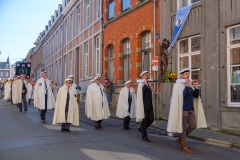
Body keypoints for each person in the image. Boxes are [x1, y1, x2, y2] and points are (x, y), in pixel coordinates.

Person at [167, 68, 207, 154]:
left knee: (193, 125)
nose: (187, 76)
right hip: (183, 110)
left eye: (188, 74)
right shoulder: (178, 85)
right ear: (182, 75)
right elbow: (181, 97)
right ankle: (184, 145)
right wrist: (187, 86)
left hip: (191, 109)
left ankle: (180, 139)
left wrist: (196, 87)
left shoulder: (189, 85)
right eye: (186, 74)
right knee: (184, 128)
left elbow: (196, 96)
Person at [136, 71, 154, 142]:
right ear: (142, 77)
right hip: (144, 105)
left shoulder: (148, 84)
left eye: (147, 75)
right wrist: (145, 85)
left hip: (150, 105)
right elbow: (141, 92)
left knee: (152, 119)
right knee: (144, 120)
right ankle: (144, 136)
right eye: (145, 75)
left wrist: (146, 85)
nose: (146, 76)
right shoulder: (141, 84)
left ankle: (142, 128)